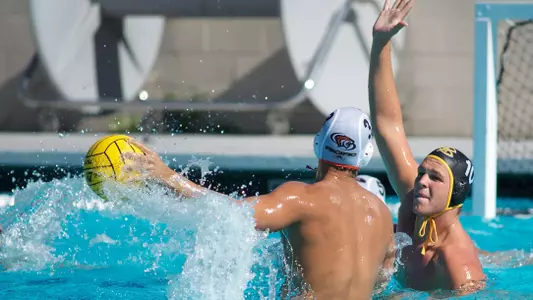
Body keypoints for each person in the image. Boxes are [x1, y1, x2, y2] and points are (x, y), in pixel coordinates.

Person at [123, 107, 395, 299]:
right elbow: (382, 285)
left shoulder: (301, 199)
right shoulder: (382, 215)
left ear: (317, 144)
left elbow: (228, 213)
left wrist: (166, 176)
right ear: (366, 156)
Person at [368, 0, 485, 295]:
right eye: (422, 173)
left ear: (456, 192)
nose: (421, 181)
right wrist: (380, 42)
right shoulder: (415, 203)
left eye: (434, 177)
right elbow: (387, 125)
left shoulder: (459, 263)